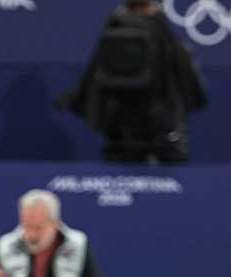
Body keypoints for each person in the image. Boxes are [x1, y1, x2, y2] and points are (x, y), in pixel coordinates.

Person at [62, 0, 207, 163]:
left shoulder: (111, 31)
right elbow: (187, 79)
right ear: (152, 6)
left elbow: (91, 80)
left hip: (117, 127)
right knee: (168, 182)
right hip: (161, 128)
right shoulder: (165, 35)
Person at [0, 190, 106, 277]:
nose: (31, 235)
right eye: (26, 226)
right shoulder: (6, 245)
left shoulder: (77, 244)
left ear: (56, 224)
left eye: (38, 228)